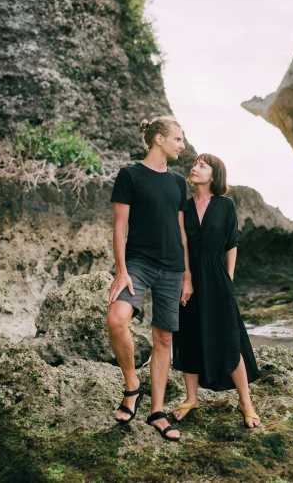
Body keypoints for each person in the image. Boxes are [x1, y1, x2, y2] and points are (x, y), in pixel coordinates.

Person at [106, 116, 193, 442]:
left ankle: (156, 412)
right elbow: (119, 226)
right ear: (159, 139)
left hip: (172, 267)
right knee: (116, 319)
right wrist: (121, 270)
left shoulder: (177, 182)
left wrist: (187, 274)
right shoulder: (130, 175)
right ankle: (132, 387)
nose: (182, 145)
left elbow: (182, 231)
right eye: (178, 139)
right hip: (139, 264)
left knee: (164, 340)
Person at [171, 153, 261, 428]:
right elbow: (182, 244)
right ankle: (191, 397)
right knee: (188, 334)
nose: (194, 168)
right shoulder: (183, 206)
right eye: (195, 164)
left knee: (228, 336)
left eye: (202, 165)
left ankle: (245, 401)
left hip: (217, 275)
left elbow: (231, 243)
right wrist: (186, 279)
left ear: (214, 174)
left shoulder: (226, 205)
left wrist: (228, 278)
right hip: (188, 275)